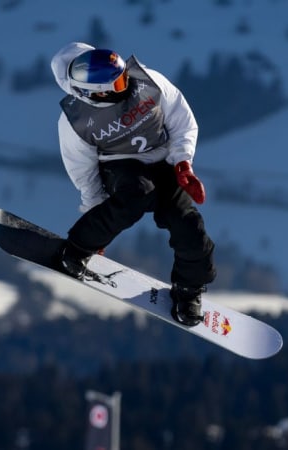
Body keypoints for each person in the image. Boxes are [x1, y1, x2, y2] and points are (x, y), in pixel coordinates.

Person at [50, 42, 216, 327]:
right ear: (93, 94)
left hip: (164, 161)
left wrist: (182, 162)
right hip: (120, 165)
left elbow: (182, 120)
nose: (126, 84)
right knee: (137, 195)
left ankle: (189, 290)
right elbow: (83, 170)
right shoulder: (75, 122)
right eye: (117, 83)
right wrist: (95, 220)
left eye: (124, 75)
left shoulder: (149, 82)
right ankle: (77, 248)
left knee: (188, 225)